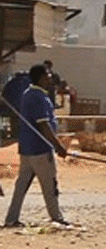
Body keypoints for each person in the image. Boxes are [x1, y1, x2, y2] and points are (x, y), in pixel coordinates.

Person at [4, 64, 70, 228]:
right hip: (40, 149)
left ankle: (11, 219)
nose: (50, 77)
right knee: (50, 185)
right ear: (41, 78)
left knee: (21, 186)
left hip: (27, 149)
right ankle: (56, 217)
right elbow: (44, 125)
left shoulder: (28, 94)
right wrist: (58, 146)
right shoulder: (38, 97)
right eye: (47, 75)